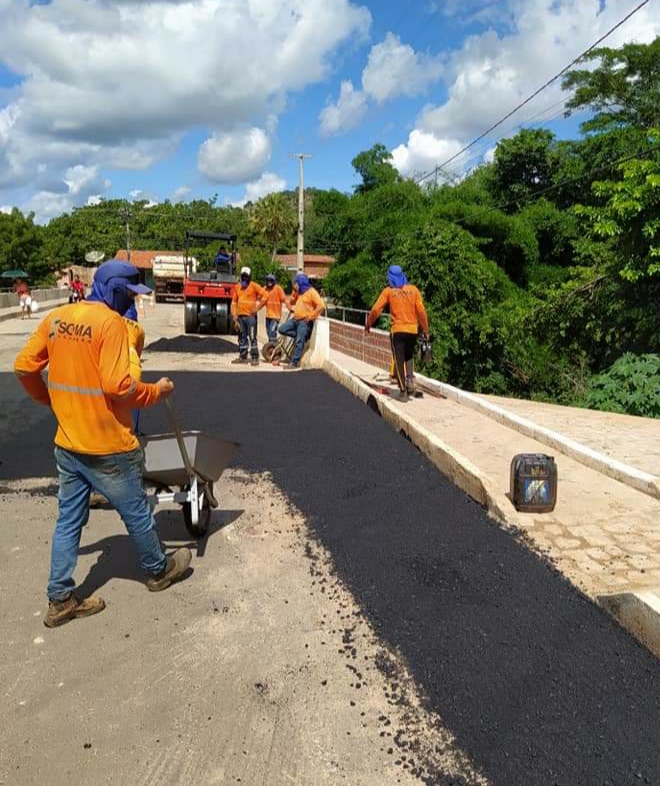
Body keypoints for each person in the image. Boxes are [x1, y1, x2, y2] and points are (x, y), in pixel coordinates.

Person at [14, 260, 192, 628]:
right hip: (109, 445)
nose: (131, 301)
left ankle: (60, 598)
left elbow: (23, 366)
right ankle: (158, 571)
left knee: (68, 522)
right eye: (129, 293)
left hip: (68, 443)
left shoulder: (58, 319)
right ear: (112, 290)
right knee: (138, 512)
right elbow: (119, 387)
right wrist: (157, 392)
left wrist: (50, 400)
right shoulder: (110, 324)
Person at [365, 265, 429, 402]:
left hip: (398, 331)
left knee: (399, 360)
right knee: (409, 356)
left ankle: (403, 392)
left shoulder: (389, 291)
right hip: (413, 330)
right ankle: (410, 383)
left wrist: (368, 323)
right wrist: (425, 329)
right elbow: (421, 312)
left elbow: (376, 309)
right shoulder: (414, 290)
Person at [278, 274, 325, 370]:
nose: (294, 285)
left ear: (301, 283)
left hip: (304, 321)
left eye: (296, 283)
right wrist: (294, 294)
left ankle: (294, 363)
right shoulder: (299, 292)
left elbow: (321, 306)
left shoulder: (312, 292)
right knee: (282, 329)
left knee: (299, 342)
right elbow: (291, 302)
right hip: (295, 319)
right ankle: (301, 336)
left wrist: (311, 316)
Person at [230, 266, 267, 366]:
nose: (244, 279)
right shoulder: (237, 287)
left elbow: (265, 296)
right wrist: (234, 315)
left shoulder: (254, 286)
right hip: (240, 317)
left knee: (252, 337)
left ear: (249, 277)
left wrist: (257, 308)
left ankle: (255, 358)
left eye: (246, 277)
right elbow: (233, 302)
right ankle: (243, 356)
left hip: (250, 318)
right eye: (243, 276)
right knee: (242, 337)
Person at [263, 273, 288, 342]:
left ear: (274, 281)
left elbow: (284, 299)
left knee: (272, 332)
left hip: (275, 316)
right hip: (268, 316)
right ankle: (271, 347)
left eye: (271, 281)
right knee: (268, 333)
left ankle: (273, 347)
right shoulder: (265, 289)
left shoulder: (278, 288)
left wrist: (290, 307)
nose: (269, 282)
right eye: (268, 280)